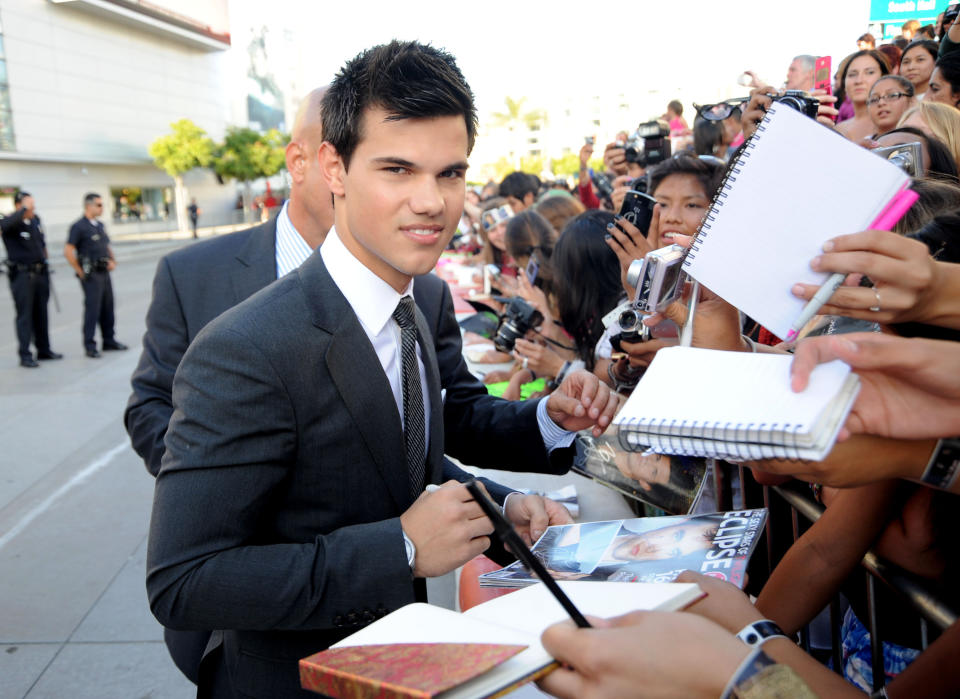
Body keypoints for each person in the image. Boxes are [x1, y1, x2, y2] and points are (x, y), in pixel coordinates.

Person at [146, 41, 618, 698]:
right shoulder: (247, 347)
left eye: (450, 173)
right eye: (397, 169)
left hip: (407, 661)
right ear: (333, 168)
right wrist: (396, 548)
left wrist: (506, 501)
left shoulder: (418, 297)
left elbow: (409, 443)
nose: (432, 201)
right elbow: (184, 581)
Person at [125, 87, 333, 684]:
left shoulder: (410, 282)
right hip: (233, 604)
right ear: (299, 162)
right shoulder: (193, 274)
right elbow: (148, 405)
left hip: (377, 607)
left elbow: (443, 414)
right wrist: (222, 475)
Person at [0, 191, 61, 367]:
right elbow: (3, 226)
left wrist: (46, 262)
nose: (32, 209)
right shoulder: (11, 222)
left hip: (40, 273)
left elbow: (42, 244)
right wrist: (22, 211)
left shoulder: (35, 220)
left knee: (41, 313)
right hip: (22, 275)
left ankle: (44, 349)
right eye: (28, 206)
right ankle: (25, 354)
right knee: (24, 315)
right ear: (19, 206)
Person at [64, 193, 127, 358]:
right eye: (98, 205)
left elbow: (106, 246)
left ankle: (109, 340)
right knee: (93, 310)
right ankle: (90, 345)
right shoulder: (78, 226)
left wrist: (113, 260)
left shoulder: (99, 225)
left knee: (108, 307)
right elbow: (68, 250)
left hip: (104, 272)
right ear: (88, 206)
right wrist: (80, 271)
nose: (101, 208)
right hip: (91, 275)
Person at [835, 50, 891, 143]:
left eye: (870, 72)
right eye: (852, 74)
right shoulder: (837, 131)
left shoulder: (897, 121)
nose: (859, 80)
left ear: (884, 77)